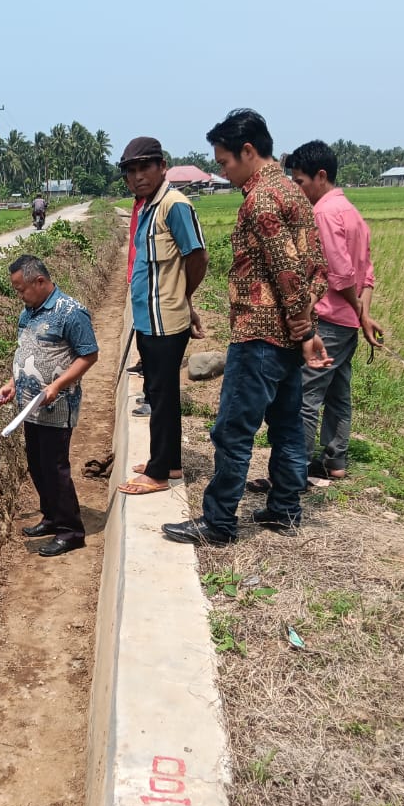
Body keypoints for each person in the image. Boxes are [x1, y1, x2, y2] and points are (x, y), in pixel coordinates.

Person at [163, 109, 329, 546]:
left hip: (260, 336)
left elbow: (289, 272)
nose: (222, 171)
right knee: (289, 427)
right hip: (287, 340)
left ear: (248, 151)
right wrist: (304, 327)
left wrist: (304, 329)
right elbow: (317, 268)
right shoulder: (294, 194)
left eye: (224, 162)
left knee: (233, 430)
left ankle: (218, 522)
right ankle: (285, 509)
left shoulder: (261, 201)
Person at [284, 141, 385, 480]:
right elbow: (365, 273)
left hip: (327, 320)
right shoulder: (352, 213)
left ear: (321, 176)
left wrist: (359, 313)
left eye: (300, 182)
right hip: (347, 324)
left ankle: (293, 471)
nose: (298, 190)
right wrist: (363, 316)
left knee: (307, 396)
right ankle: (334, 461)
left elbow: (341, 276)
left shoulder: (323, 214)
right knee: (339, 392)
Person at [115, 136, 208, 495]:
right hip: (149, 317)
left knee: (163, 393)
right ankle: (167, 461)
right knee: (158, 392)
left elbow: (196, 256)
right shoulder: (149, 206)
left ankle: (158, 473)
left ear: (162, 166)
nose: (138, 176)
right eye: (131, 171)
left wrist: (183, 297)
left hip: (165, 319)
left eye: (145, 168)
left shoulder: (173, 205)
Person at [0, 254, 99, 557]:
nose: (19, 294)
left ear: (39, 281)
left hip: (57, 406)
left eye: (21, 288)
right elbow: (25, 351)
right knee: (37, 465)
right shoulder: (28, 312)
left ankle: (71, 530)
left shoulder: (70, 312)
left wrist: (56, 385)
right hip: (30, 408)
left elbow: (88, 355)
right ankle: (52, 516)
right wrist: (12, 383)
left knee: (55, 469)